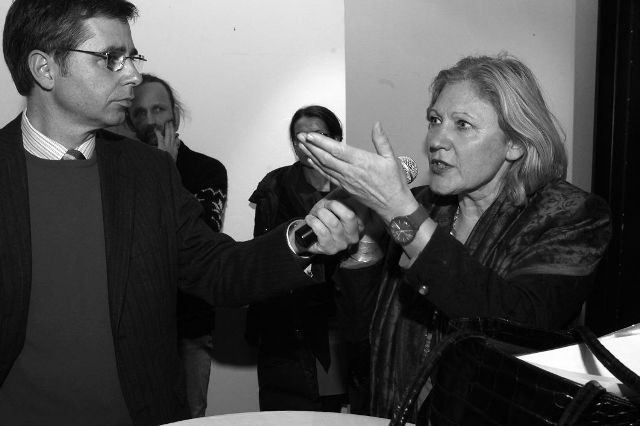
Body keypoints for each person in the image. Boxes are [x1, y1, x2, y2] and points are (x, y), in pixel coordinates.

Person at [0, 1, 359, 425]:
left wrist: (304, 238)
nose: (133, 75)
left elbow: (218, 269)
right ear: (44, 69)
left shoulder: (148, 172)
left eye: (132, 56)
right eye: (111, 58)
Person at [296, 53, 612, 421]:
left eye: (462, 124)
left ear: (514, 143)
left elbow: (519, 325)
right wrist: (364, 245)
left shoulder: (569, 213)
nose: (436, 140)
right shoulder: (423, 207)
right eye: (435, 120)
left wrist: (399, 211)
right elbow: (363, 336)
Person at [247, 105, 380, 413]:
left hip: (344, 320)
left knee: (342, 411)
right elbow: (262, 256)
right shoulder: (275, 187)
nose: (308, 143)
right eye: (300, 137)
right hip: (288, 326)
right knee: (288, 412)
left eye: (318, 134)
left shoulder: (358, 187)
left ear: (336, 138)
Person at [127, 73, 228, 418]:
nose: (150, 120)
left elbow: (200, 241)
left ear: (175, 115)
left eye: (158, 109)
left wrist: (166, 173)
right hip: (138, 326)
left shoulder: (207, 170)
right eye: (139, 112)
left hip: (190, 326)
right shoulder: (121, 172)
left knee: (189, 416)